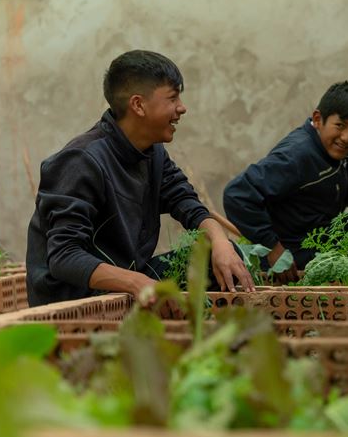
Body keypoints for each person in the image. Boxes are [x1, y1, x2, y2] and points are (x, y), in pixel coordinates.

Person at [26, 50, 254, 306]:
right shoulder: (81, 160)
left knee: (223, 257)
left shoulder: (153, 152)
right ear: (138, 105)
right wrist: (138, 283)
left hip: (130, 281)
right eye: (172, 97)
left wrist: (221, 241)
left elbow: (187, 202)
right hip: (77, 297)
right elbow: (64, 257)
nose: (182, 108)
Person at [223, 81, 348, 282]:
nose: (347, 137)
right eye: (340, 125)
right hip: (293, 253)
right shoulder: (297, 155)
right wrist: (273, 248)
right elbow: (237, 194)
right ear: (318, 119)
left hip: (322, 236)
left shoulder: (339, 153)